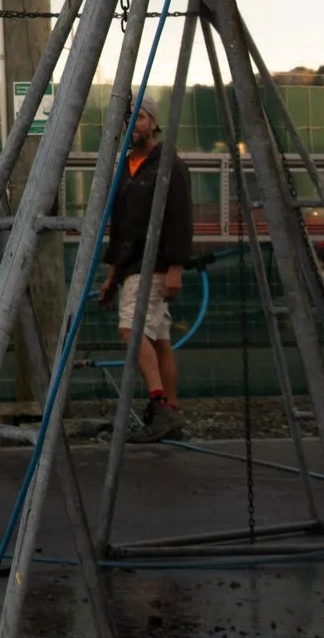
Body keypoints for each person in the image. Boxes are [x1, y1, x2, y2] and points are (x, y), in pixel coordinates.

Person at [100, 99, 193, 443]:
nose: (132, 123)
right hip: (132, 264)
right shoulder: (127, 167)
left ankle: (159, 405)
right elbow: (121, 225)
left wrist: (176, 266)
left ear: (154, 123)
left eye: (139, 116)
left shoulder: (169, 166)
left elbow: (181, 216)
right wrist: (113, 275)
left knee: (131, 330)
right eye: (129, 117)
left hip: (154, 263)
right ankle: (172, 411)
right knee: (159, 338)